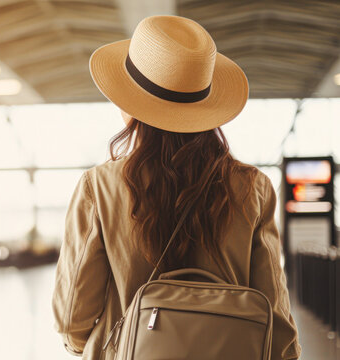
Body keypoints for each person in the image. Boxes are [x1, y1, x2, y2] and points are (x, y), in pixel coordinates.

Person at [52, 15, 300, 360]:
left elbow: (72, 317)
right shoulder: (252, 188)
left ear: (131, 102)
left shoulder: (100, 187)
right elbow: (276, 315)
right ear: (206, 102)